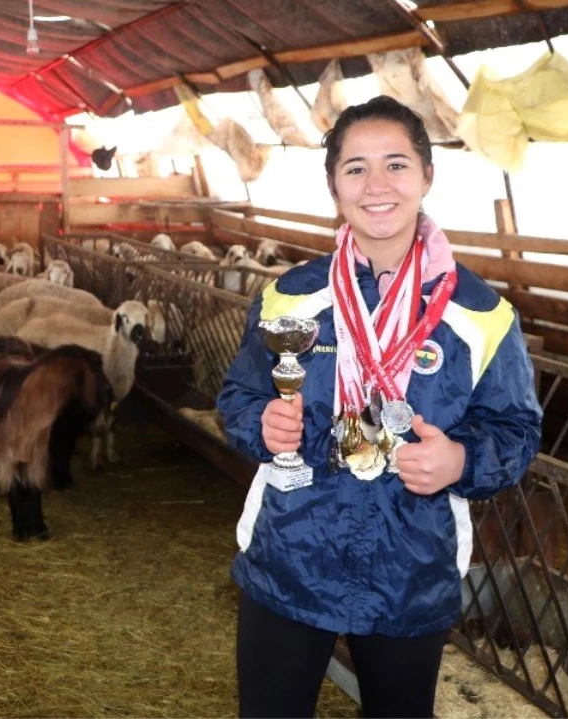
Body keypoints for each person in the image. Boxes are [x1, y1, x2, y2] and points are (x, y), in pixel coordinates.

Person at [217, 95, 542, 719]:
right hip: (291, 554)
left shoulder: (479, 313)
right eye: (355, 168)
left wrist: (460, 460)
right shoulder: (290, 297)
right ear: (334, 185)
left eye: (396, 164)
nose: (376, 186)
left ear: (426, 175)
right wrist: (258, 423)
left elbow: (516, 428)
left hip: (411, 563)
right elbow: (239, 395)